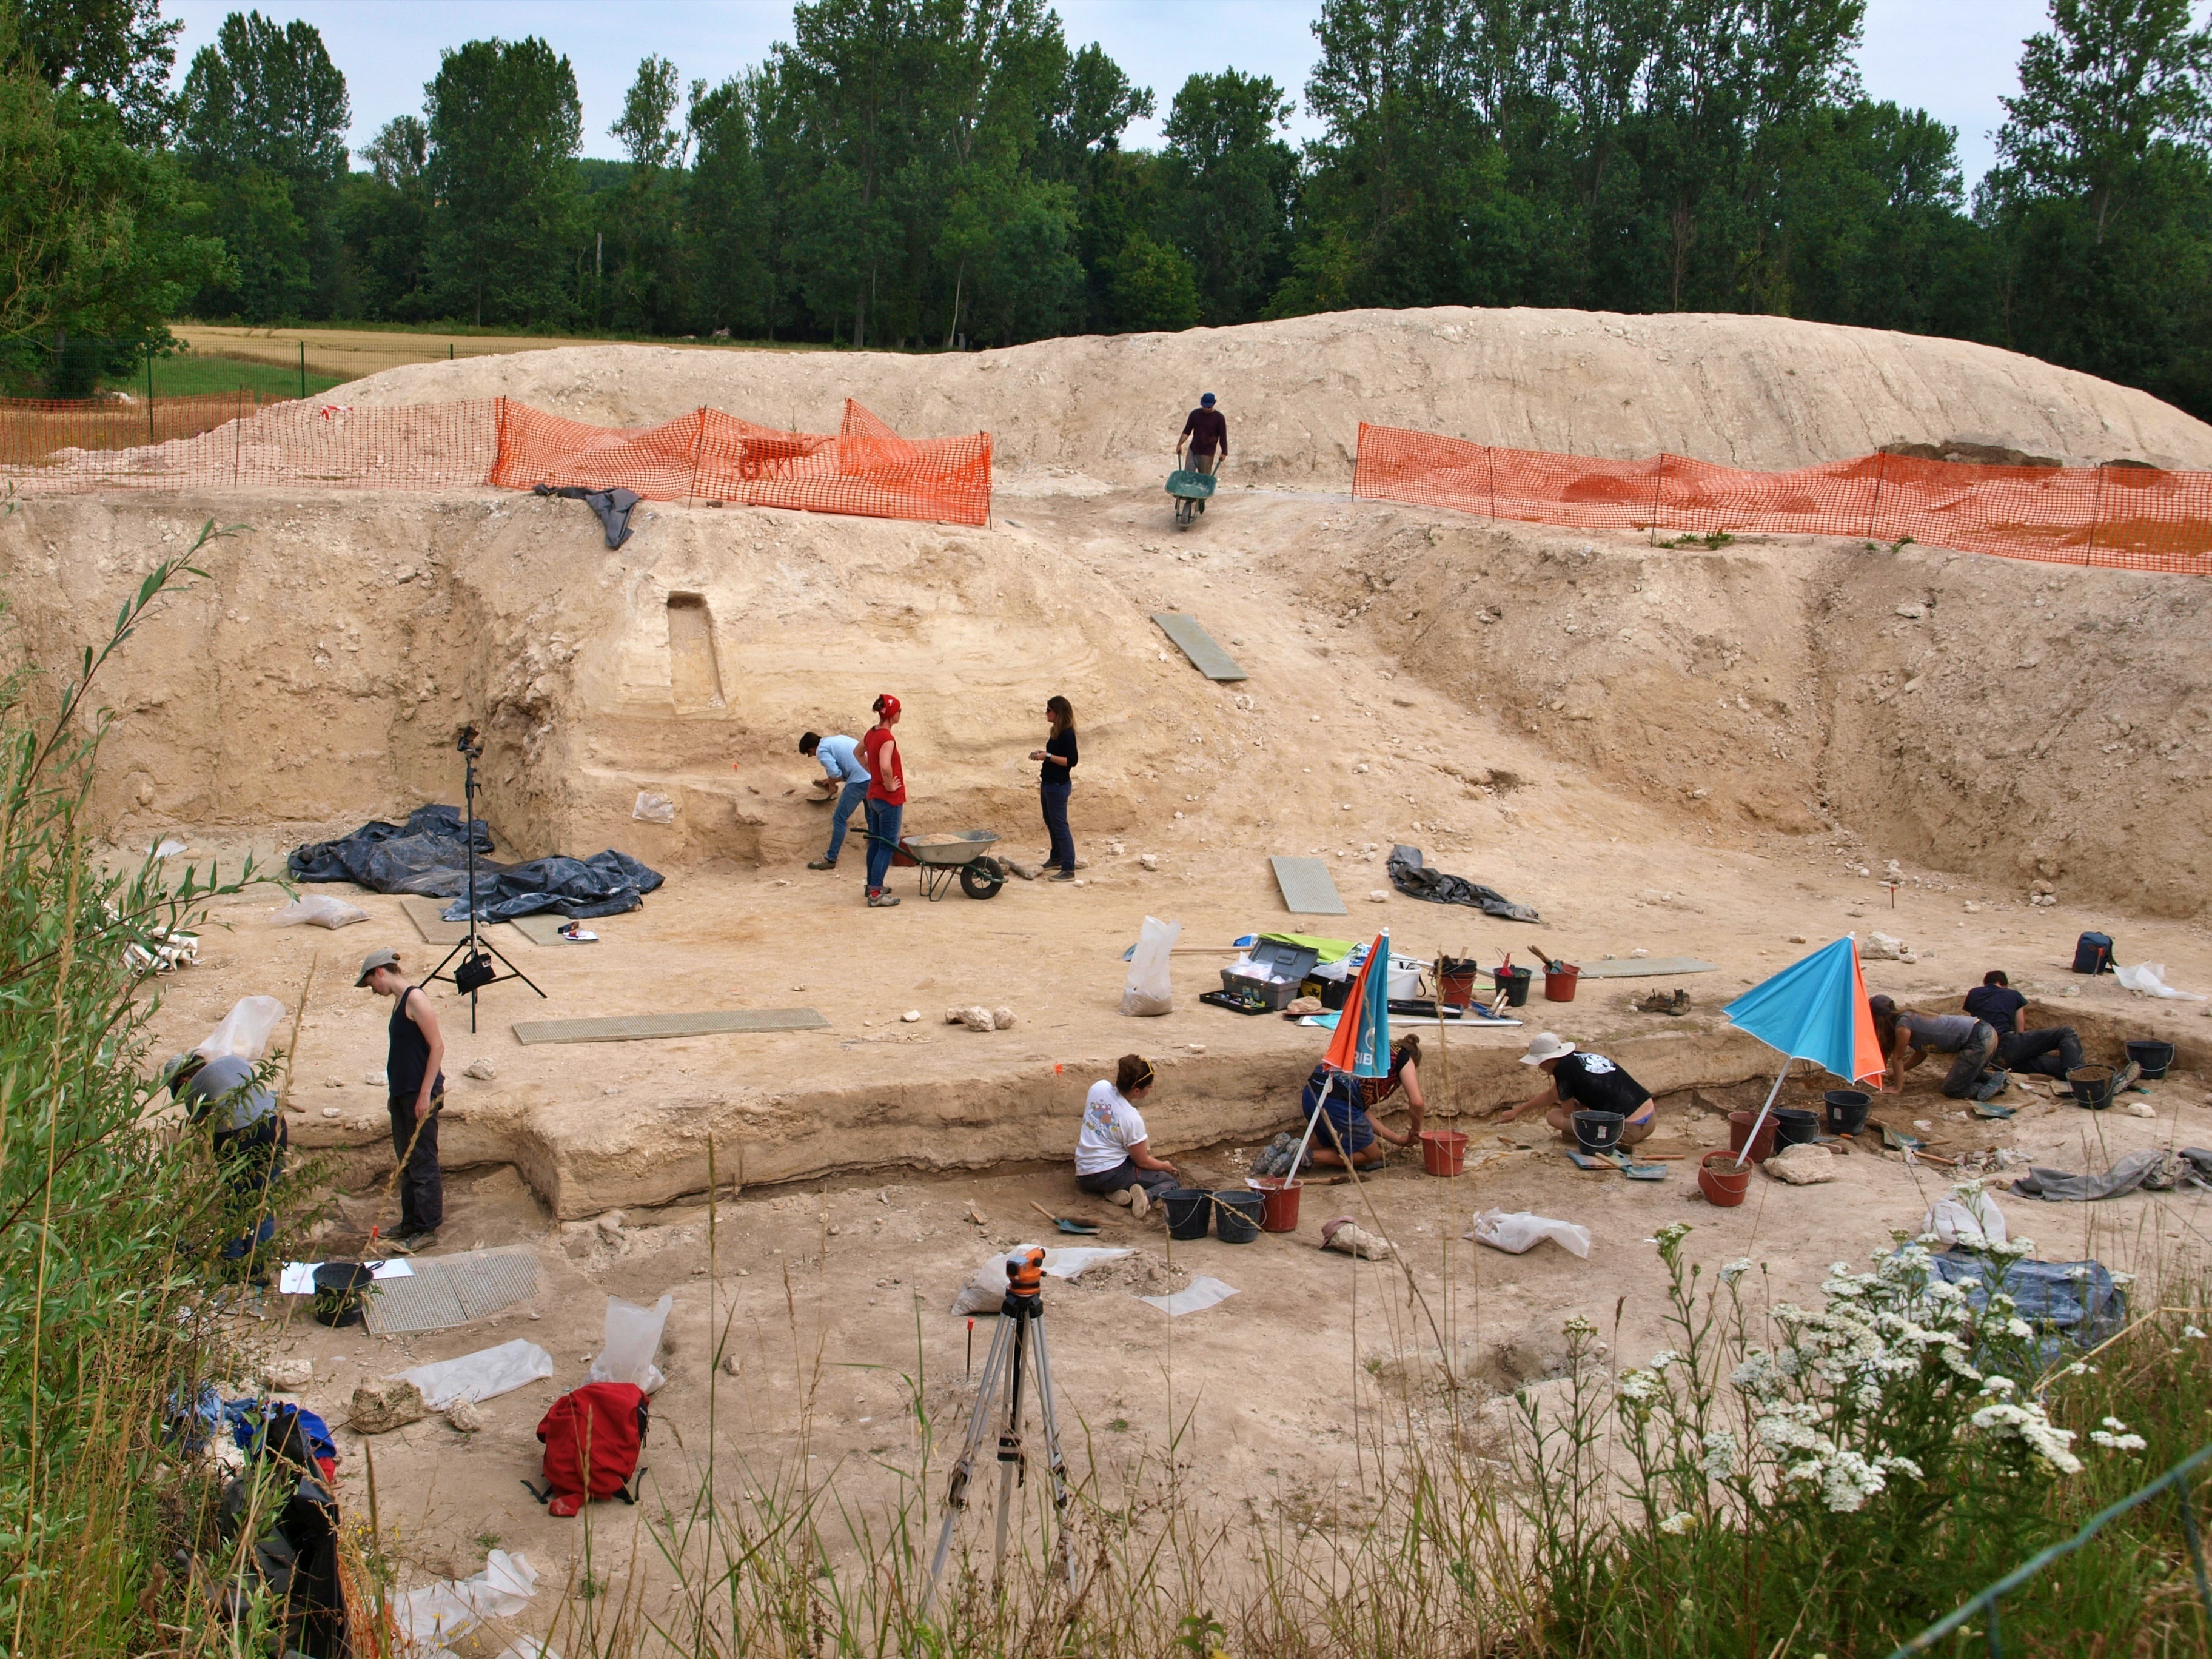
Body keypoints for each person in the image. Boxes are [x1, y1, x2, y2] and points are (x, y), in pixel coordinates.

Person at [166, 1051, 288, 1265]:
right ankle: (258, 1266)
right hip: (274, 1122)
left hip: (237, 1133)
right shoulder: (233, 1060)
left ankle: (233, 1262)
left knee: (236, 1197)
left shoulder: (195, 1084)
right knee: (264, 1196)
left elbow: (198, 1116)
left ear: (183, 1080)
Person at [358, 948, 445, 1248]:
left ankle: (427, 1228)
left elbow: (437, 1047)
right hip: (403, 1092)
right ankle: (411, 1222)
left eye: (371, 984)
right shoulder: (399, 1002)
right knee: (406, 1162)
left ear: (380, 972)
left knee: (423, 1162)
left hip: (418, 1093)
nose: (374, 991)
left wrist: (425, 1095)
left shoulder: (415, 998)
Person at [1495, 1031, 1657, 1145]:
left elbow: (1569, 1114)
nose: (1541, 1068)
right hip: (1650, 1121)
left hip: (1629, 1132)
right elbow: (1553, 1094)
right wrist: (1518, 1111)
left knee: (1554, 1116)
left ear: (1547, 1061)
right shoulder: (1578, 1058)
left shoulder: (1563, 1071)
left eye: (1540, 1064)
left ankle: (1600, 1139)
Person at [1298, 1034, 1428, 1168]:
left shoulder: (1374, 1047)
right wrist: (1416, 1130)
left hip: (1313, 1090)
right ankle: (1303, 1158)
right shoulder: (1404, 1058)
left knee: (1325, 1139)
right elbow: (1417, 1103)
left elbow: (1361, 1114)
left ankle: (1286, 1153)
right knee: (1372, 1155)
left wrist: (1399, 1140)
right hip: (1337, 1098)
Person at [1075, 1055, 1179, 1217]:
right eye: (1149, 1087)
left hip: (1084, 1175)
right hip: (1109, 1175)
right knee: (1171, 1182)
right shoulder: (1131, 1118)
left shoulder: (1099, 1087)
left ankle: (1115, 1194)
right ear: (1137, 1091)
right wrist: (1165, 1166)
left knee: (1127, 1156)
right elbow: (1143, 1161)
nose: (1150, 1090)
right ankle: (1147, 1197)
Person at [1963, 970, 2085, 1080]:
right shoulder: (2013, 995)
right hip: (2005, 1043)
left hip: (1987, 1056)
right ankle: (2078, 1079)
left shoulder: (1973, 993)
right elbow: (2020, 1031)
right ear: (2004, 984)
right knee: (2066, 1032)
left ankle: (2072, 1073)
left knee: (2058, 1064)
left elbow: (1975, 1021)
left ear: (1986, 983)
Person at [1870, 994, 1996, 1099]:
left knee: (1953, 1089)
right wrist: (1895, 1074)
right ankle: (1993, 1078)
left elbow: (1898, 1058)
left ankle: (1992, 1085)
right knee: (1966, 1075)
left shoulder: (1903, 1026)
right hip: (1984, 1032)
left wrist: (1897, 1088)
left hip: (1978, 1038)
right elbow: (1921, 1054)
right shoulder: (1909, 1017)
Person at [799, 730, 871, 870]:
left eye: (810, 754)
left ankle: (831, 858)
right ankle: (876, 854)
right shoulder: (835, 740)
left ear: (811, 749)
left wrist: (832, 785)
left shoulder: (822, 750)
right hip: (871, 777)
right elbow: (845, 768)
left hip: (859, 782)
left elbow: (835, 772)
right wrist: (830, 781)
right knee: (872, 819)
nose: (813, 756)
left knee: (839, 819)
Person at [860, 694, 907, 908]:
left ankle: (872, 885)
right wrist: (888, 784)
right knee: (889, 844)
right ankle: (876, 893)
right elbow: (886, 765)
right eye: (898, 711)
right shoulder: (887, 738)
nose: (900, 714)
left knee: (877, 842)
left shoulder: (872, 733)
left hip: (873, 796)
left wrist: (873, 773)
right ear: (892, 715)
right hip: (889, 798)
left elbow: (858, 753)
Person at [1028, 695, 1079, 881]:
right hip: (1049, 783)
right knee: (1051, 822)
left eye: (1049, 710)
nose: (1046, 713)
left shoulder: (1067, 734)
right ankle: (1056, 857)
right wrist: (1043, 755)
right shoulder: (1056, 732)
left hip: (1058, 786)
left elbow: (1071, 761)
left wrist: (1047, 756)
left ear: (1058, 712)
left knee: (1060, 826)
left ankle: (1068, 868)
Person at [1176, 393, 1228, 512]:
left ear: (1214, 404)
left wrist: (1224, 452)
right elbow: (1187, 431)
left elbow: (1223, 436)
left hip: (1207, 454)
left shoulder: (1219, 418)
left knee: (1203, 480)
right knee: (1188, 475)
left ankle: (1201, 501)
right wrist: (1179, 444)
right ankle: (1189, 499)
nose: (1206, 409)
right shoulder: (1195, 414)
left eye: (1208, 407)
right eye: (1204, 406)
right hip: (1193, 450)